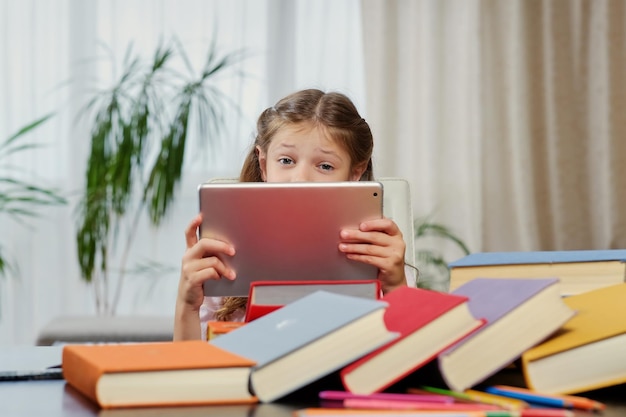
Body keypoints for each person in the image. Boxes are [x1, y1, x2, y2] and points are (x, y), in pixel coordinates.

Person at [174, 88, 416, 341]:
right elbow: (187, 369)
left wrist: (395, 287)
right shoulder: (225, 256)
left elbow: (413, 365)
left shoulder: (381, 260)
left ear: (355, 173)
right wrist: (187, 303)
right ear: (264, 164)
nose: (300, 178)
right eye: (287, 161)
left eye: (325, 166)